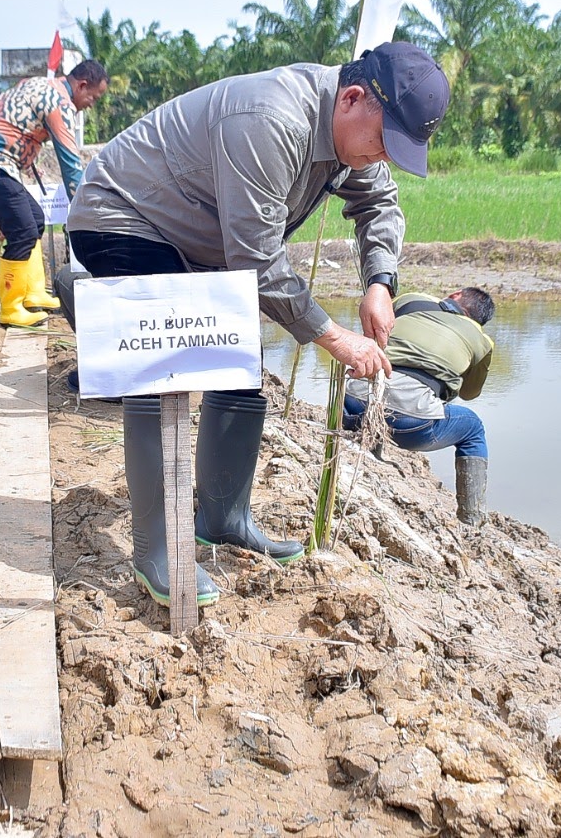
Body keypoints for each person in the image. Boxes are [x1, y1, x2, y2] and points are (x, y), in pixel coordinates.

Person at [64, 41, 449, 608]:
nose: (383, 159)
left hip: (198, 240)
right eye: (385, 144)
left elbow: (381, 206)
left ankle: (222, 516)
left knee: (237, 360)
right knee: (161, 373)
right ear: (353, 98)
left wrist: (379, 283)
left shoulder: (350, 140)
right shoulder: (271, 121)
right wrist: (335, 337)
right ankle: (159, 552)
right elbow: (257, 262)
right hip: (124, 218)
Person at [0, 61, 108, 327]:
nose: (91, 104)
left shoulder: (37, 83)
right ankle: (11, 308)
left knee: (35, 219)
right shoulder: (59, 103)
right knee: (23, 231)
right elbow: (71, 165)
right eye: (93, 97)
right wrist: (86, 211)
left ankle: (33, 293)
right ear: (82, 85)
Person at [341, 287, 496, 525]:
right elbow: (470, 393)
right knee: (473, 428)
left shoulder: (413, 299)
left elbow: (375, 326)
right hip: (411, 427)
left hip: (350, 404)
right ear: (479, 321)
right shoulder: (482, 341)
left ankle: (371, 451)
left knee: (382, 374)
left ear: (455, 294)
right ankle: (472, 519)